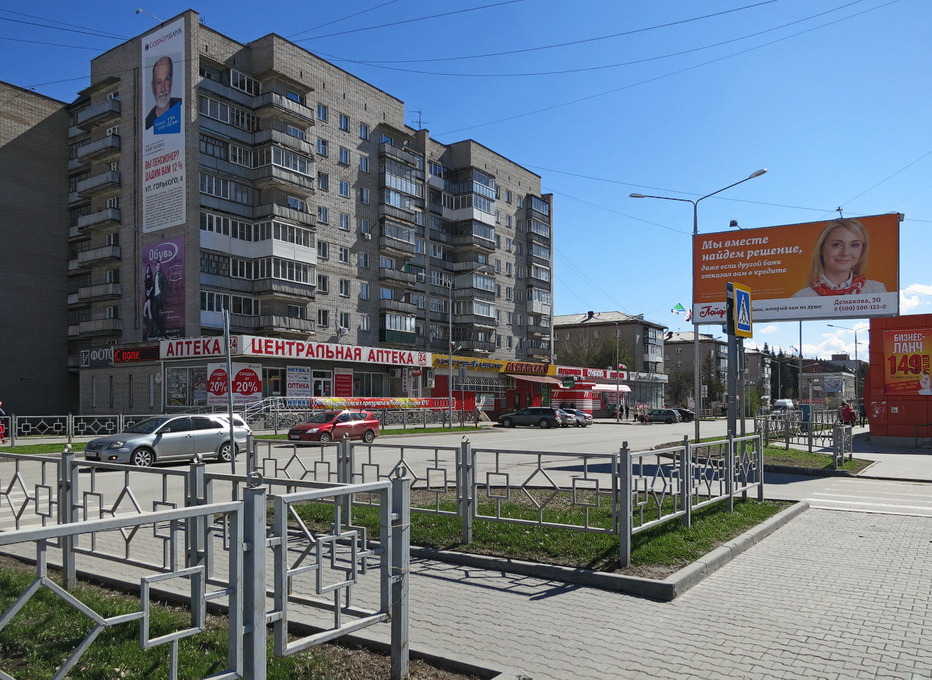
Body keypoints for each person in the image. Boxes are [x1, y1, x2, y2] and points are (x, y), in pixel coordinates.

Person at [791, 218, 887, 297]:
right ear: (821, 248)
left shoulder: (876, 290)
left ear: (862, 249)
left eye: (854, 245)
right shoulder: (801, 297)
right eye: (836, 245)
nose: (845, 253)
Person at [145, 56, 182, 130]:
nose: (163, 89)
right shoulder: (148, 123)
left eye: (166, 80)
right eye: (159, 82)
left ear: (171, 82)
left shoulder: (181, 105)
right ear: (153, 87)